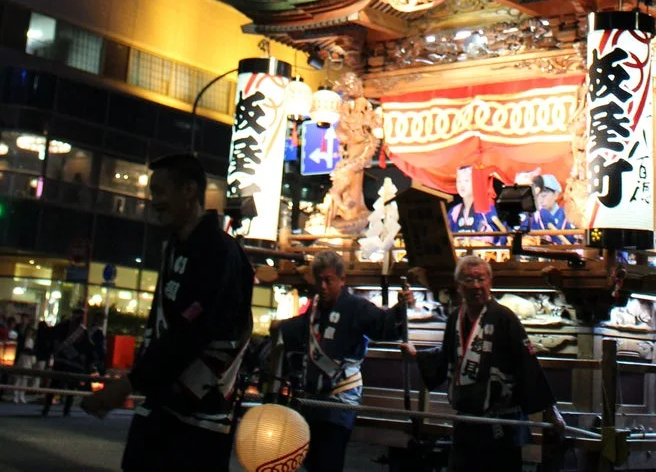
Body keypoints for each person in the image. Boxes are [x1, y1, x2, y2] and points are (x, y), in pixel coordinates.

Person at [83, 151, 254, 472]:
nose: (154, 201)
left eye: (160, 191)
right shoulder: (176, 246)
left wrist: (129, 382)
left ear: (189, 191)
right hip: (163, 403)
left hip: (200, 413)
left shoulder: (219, 250)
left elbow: (192, 332)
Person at [403, 253, 566, 471]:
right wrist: (417, 355)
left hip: (500, 425)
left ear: (490, 282)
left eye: (481, 279)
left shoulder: (504, 317)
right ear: (459, 286)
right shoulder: (455, 318)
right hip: (466, 423)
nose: (476, 286)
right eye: (469, 280)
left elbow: (526, 363)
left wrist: (549, 410)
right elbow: (447, 357)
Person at [274, 248, 414, 472]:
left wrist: (400, 310)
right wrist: (281, 326)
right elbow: (301, 328)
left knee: (329, 461)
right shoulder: (316, 306)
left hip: (340, 398)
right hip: (313, 399)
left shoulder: (356, 307)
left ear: (342, 279)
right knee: (310, 461)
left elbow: (383, 325)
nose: (323, 286)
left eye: (328, 280)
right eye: (319, 280)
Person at [42, 308, 94, 416]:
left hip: (70, 363)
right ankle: (50, 408)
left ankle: (61, 409)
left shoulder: (81, 331)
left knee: (66, 387)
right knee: (57, 385)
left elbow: (86, 348)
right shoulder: (67, 328)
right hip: (65, 362)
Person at [447, 166, 506, 238]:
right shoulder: (454, 211)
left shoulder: (485, 207)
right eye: (459, 181)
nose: (462, 185)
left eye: (466, 181)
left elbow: (503, 231)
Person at [525, 175, 576, 243]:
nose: (540, 200)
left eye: (544, 196)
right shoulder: (533, 217)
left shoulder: (568, 215)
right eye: (537, 196)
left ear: (556, 194)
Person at [13, 323, 37, 403]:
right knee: (18, 378)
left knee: (25, 379)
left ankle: (22, 395)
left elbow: (32, 351)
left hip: (28, 360)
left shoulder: (32, 341)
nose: (30, 333)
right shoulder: (22, 339)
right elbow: (20, 349)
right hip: (22, 358)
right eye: (29, 331)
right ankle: (15, 395)